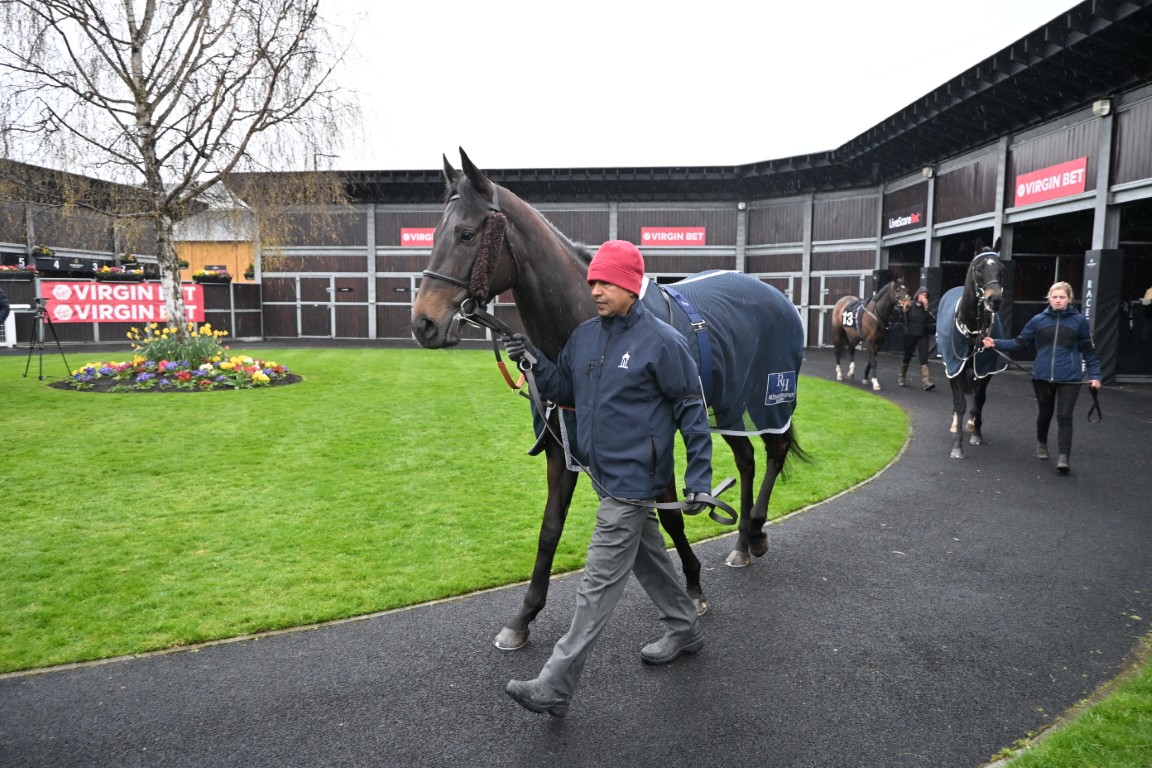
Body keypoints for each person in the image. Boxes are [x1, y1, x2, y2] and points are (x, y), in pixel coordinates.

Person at [501, 240, 713, 718]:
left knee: (595, 586)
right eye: (593, 281)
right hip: (604, 474)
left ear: (632, 287)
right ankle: (685, 627)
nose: (595, 289)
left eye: (607, 282)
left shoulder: (662, 341)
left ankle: (555, 684)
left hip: (635, 483)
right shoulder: (585, 337)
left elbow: (691, 411)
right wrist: (533, 360)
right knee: (649, 558)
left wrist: (698, 476)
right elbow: (565, 390)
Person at [981, 281, 1101, 474]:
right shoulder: (1038, 320)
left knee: (1064, 416)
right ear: (1049, 298)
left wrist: (1095, 375)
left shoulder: (1080, 322)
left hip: (1070, 378)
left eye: (1062, 297)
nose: (1058, 300)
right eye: (1055, 297)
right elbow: (1019, 342)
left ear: (1069, 299)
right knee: (1045, 413)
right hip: (1042, 376)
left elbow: (1089, 351)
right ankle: (1041, 443)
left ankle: (1063, 457)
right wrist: (995, 342)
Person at [898, 287, 936, 390]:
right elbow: (902, 318)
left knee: (924, 358)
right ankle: (901, 377)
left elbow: (932, 320)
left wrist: (926, 308)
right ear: (917, 295)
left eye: (925, 295)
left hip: (922, 335)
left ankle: (926, 382)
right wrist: (903, 310)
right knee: (907, 356)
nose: (924, 297)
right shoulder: (910, 305)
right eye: (922, 294)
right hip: (910, 335)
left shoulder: (926, 309)